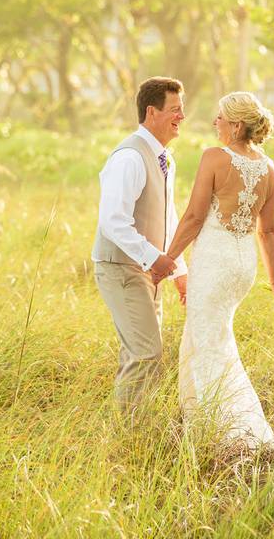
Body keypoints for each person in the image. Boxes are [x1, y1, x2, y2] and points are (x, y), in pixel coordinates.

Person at [162, 91, 274, 452]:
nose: (214, 122)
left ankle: (225, 433)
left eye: (220, 117)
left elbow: (193, 217)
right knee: (214, 339)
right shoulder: (269, 169)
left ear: (236, 125)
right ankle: (213, 425)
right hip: (242, 266)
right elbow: (268, 230)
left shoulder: (215, 158)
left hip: (215, 261)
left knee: (206, 344)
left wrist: (168, 261)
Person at [92, 77, 188, 417]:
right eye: (175, 110)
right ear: (152, 111)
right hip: (121, 268)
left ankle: (134, 431)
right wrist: (154, 258)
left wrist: (178, 269)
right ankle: (129, 434)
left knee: (138, 352)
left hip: (151, 271)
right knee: (147, 353)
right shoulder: (130, 157)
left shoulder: (166, 159)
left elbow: (168, 215)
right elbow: (113, 221)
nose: (182, 116)